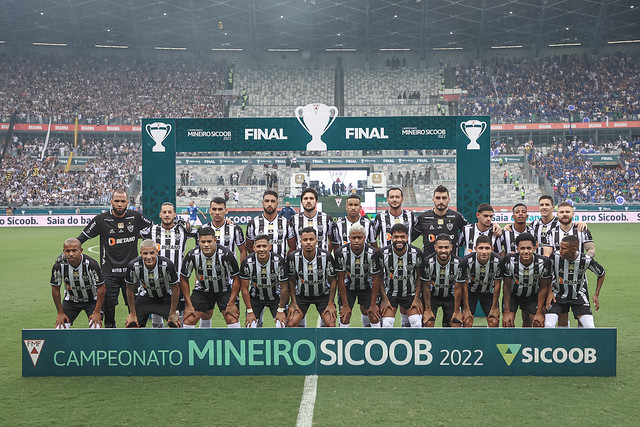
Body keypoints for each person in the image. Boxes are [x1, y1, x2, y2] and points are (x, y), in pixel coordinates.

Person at [77, 188, 153, 328]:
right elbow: (82, 237)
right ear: (111, 201)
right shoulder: (101, 219)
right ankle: (110, 335)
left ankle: (137, 333)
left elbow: (151, 226)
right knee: (109, 308)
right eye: (116, 201)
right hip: (108, 273)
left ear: (127, 203)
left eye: (122, 201)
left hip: (131, 273)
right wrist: (69, 252)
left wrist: (145, 237)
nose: (119, 204)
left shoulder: (135, 217)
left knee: (136, 307)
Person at [142, 202, 197, 327]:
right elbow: (135, 233)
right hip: (156, 281)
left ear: (174, 214)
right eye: (164, 212)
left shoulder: (182, 229)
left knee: (178, 319)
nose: (167, 215)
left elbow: (202, 233)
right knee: (157, 315)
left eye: (170, 212)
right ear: (160, 214)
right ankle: (158, 342)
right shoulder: (152, 230)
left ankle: (179, 342)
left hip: (177, 282)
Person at [180, 227, 242, 328]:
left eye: (209, 241)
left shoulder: (226, 255)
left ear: (215, 240)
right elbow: (183, 278)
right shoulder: (192, 255)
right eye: (203, 242)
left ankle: (237, 343)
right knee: (189, 320)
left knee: (231, 317)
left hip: (224, 289)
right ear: (198, 241)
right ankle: (197, 341)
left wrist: (231, 302)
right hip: (202, 290)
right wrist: (188, 304)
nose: (206, 245)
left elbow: (236, 278)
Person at [545, 235, 605, 328]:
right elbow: (547, 274)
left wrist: (596, 294)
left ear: (573, 249)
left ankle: (581, 342)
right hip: (557, 295)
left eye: (563, 248)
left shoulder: (585, 260)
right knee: (549, 325)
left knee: (590, 327)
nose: (560, 250)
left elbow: (601, 273)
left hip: (578, 296)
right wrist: (549, 292)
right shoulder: (555, 256)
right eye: (560, 247)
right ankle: (562, 342)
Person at [286, 227, 338, 328]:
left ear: (316, 241)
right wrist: (293, 302)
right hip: (301, 296)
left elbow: (333, 281)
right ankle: (299, 343)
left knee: (331, 324)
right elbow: (291, 280)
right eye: (305, 240)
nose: (308, 242)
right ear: (300, 241)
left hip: (323, 295)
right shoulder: (293, 257)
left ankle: (324, 343)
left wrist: (331, 302)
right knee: (291, 323)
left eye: (311, 239)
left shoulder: (326, 256)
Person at [124, 239, 181, 328]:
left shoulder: (167, 264)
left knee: (176, 324)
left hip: (165, 297)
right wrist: (132, 313)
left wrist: (173, 312)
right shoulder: (133, 266)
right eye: (145, 253)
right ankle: (139, 342)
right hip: (146, 297)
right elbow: (129, 289)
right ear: (140, 253)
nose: (149, 257)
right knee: (132, 324)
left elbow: (175, 288)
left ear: (157, 252)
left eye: (152, 253)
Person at [334, 224, 383, 327]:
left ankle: (375, 339)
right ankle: (343, 340)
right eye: (354, 238)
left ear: (364, 238)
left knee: (374, 315)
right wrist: (346, 305)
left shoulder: (373, 253)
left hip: (367, 286)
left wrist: (373, 304)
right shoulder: (340, 253)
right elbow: (341, 279)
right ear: (349, 238)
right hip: (348, 287)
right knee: (344, 316)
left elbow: (375, 279)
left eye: (359, 238)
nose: (356, 240)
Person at [50, 238, 105, 329]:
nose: (71, 254)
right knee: (60, 328)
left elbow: (101, 288)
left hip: (92, 300)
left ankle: (95, 343)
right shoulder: (59, 266)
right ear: (63, 251)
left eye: (74, 250)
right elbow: (55, 289)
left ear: (81, 250)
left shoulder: (91, 264)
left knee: (95, 327)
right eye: (67, 251)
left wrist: (97, 312)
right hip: (71, 300)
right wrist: (60, 313)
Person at [501, 233, 551, 328]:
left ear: (534, 248)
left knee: (538, 323)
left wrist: (539, 311)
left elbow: (544, 287)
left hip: (532, 295)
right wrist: (507, 311)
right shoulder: (509, 260)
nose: (526, 251)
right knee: (508, 323)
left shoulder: (543, 262)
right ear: (517, 249)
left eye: (529, 248)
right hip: (513, 295)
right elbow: (506, 286)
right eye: (522, 248)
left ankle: (531, 343)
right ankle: (512, 343)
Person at [378, 224, 424, 328]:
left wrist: (417, 298)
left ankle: (413, 344)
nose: (399, 240)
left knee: (417, 323)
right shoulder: (382, 253)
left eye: (402, 236)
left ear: (407, 237)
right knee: (386, 324)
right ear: (391, 237)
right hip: (390, 294)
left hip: (410, 294)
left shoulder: (416, 253)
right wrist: (384, 299)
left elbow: (419, 278)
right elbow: (379, 278)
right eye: (396, 237)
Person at [239, 234, 289, 328]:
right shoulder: (247, 262)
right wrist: (249, 311)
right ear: (254, 248)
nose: (261, 249)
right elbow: (244, 288)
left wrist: (281, 310)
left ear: (269, 247)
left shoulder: (279, 261)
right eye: (258, 246)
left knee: (282, 325)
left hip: (275, 297)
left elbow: (284, 287)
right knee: (250, 326)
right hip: (256, 297)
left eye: (264, 246)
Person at [421, 234, 468, 328]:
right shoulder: (427, 262)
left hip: (451, 297)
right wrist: (428, 309)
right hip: (432, 297)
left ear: (451, 247)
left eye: (446, 247)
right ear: (435, 247)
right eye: (440, 247)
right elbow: (425, 286)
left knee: (455, 323)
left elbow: (459, 288)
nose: (443, 250)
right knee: (428, 322)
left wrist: (457, 311)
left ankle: (450, 343)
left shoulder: (459, 263)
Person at [412, 185, 469, 257]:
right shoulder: (423, 218)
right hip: (428, 264)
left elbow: (469, 232)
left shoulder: (457, 217)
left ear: (448, 199)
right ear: (433, 200)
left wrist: (459, 242)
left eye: (444, 198)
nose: (441, 201)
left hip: (452, 263)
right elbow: (410, 237)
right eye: (438, 198)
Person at [462, 235, 502, 328]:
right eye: (481, 248)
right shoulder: (466, 261)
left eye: (487, 248)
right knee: (467, 321)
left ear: (492, 249)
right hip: (470, 293)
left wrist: (494, 307)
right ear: (475, 248)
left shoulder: (498, 261)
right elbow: (464, 285)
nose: (484, 251)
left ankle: (492, 342)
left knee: (494, 321)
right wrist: (466, 308)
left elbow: (497, 285)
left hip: (489, 292)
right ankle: (467, 342)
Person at [246, 190, 291, 258]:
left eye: (273, 201)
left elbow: (292, 247)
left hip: (280, 266)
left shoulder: (286, 223)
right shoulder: (253, 223)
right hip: (260, 266)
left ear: (277, 203)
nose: (269, 204)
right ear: (263, 203)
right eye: (267, 201)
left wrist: (283, 261)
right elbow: (249, 247)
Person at [288, 188, 334, 253]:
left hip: (322, 261)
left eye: (311, 198)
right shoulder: (294, 219)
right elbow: (292, 246)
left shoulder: (326, 218)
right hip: (300, 260)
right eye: (305, 198)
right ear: (301, 202)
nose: (308, 201)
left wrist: (326, 254)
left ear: (316, 201)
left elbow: (332, 241)